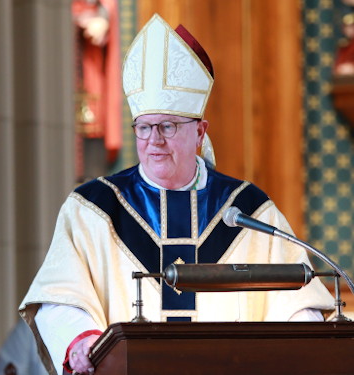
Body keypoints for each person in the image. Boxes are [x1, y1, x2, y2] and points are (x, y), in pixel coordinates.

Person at [19, 14, 334, 375]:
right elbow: (59, 298)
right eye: (143, 127)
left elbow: (298, 305)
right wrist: (81, 340)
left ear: (200, 133)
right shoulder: (93, 209)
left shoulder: (249, 212)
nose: (154, 140)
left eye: (167, 126)